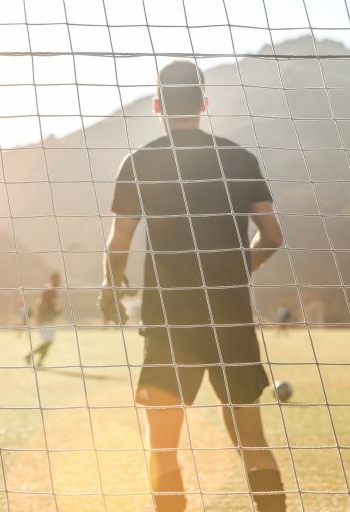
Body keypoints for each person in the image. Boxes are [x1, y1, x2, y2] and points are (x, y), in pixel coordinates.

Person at [102, 60, 285, 511]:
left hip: (170, 320)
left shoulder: (139, 161)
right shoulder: (239, 159)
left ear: (157, 105)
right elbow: (273, 236)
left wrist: (111, 287)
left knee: (163, 447)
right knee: (252, 442)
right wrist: (237, 271)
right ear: (204, 103)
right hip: (230, 318)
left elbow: (118, 242)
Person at [24, 272, 62, 366]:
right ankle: (29, 356)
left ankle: (38, 360)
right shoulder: (50, 290)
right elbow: (42, 304)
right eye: (58, 279)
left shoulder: (52, 290)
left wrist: (55, 310)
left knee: (49, 342)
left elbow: (48, 304)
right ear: (53, 279)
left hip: (47, 319)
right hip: (45, 320)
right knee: (48, 341)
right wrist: (53, 312)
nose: (60, 281)